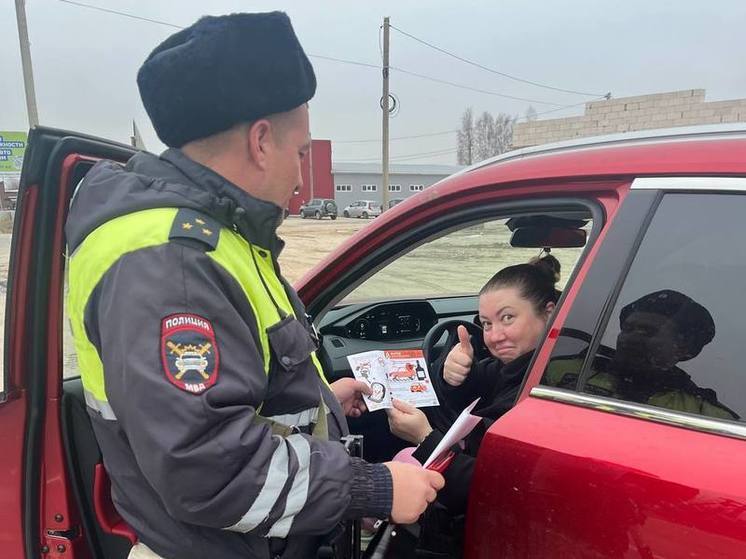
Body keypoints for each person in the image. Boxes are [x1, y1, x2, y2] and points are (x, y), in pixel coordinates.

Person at [65, 12, 443, 559]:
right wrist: (374, 487)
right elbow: (206, 467)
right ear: (261, 142)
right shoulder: (172, 262)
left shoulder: (215, 236)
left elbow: (227, 394)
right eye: (301, 152)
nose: (301, 176)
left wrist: (321, 407)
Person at [386, 254, 561, 556]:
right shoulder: (521, 365)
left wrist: (425, 439)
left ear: (549, 312)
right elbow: (475, 381)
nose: (495, 336)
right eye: (486, 323)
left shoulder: (549, 385)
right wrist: (452, 372)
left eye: (508, 318)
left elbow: (491, 486)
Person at [581, 290, 738, 419]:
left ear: (683, 348)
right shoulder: (568, 370)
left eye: (648, 332)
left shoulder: (708, 415)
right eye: (628, 329)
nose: (632, 337)